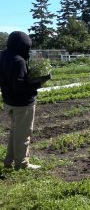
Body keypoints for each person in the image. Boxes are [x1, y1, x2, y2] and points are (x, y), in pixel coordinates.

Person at [0, 31, 49, 170]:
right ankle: (22, 164)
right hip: (22, 104)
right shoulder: (19, 61)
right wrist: (39, 82)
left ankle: (9, 161)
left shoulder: (3, 56)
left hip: (9, 101)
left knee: (15, 132)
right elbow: (20, 86)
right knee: (23, 135)